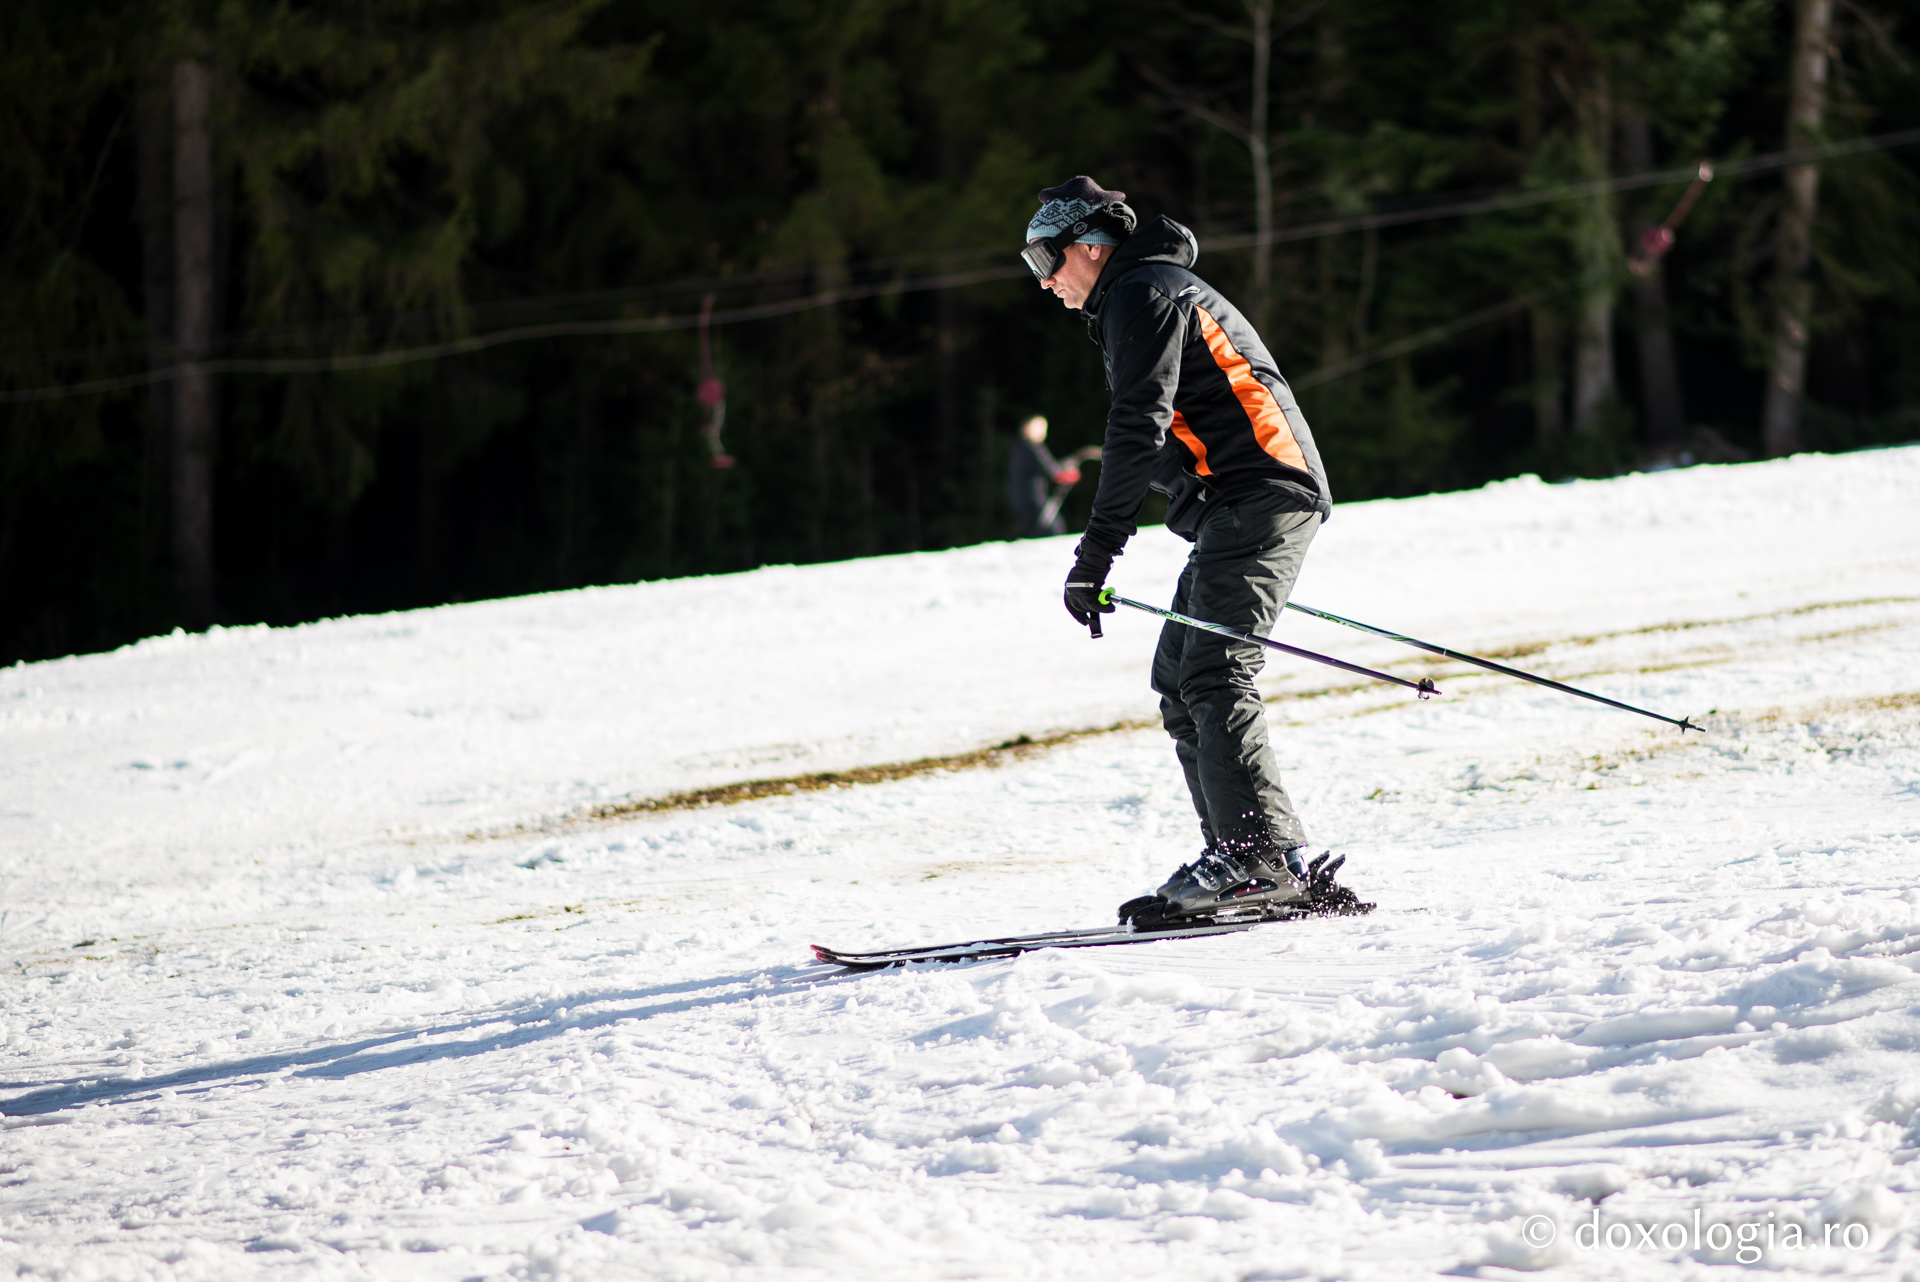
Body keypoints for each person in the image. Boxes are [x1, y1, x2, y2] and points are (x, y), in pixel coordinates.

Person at [1020, 175, 1334, 923]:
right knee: (1180, 675)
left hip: (1262, 493)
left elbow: (1138, 427)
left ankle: (1254, 858)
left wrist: (1094, 555)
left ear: (1089, 246)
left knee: (1215, 669)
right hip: (1240, 501)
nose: (1045, 281)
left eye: (1044, 259)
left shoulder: (1146, 291)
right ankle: (1252, 855)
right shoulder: (1140, 292)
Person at [1007, 416, 1076, 537]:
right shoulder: (1033, 447)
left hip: (1018, 496)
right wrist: (1068, 473)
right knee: (1054, 530)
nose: (1045, 432)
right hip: (1032, 497)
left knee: (1034, 530)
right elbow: (1053, 472)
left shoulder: (1018, 446)